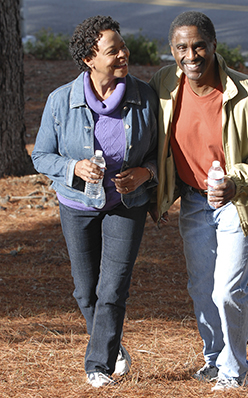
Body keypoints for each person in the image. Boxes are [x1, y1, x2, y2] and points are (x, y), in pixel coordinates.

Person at [149, 11, 248, 391]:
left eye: (198, 46)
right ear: (172, 51)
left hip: (236, 203)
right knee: (201, 287)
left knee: (227, 289)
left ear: (214, 46)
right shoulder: (165, 83)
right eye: (182, 47)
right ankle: (214, 360)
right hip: (194, 203)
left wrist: (236, 182)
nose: (191, 55)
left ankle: (234, 369)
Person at [32, 15, 157, 388]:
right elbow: (41, 156)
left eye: (122, 46)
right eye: (113, 49)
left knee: (113, 288)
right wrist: (73, 166)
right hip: (77, 205)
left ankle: (97, 364)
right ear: (89, 59)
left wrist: (144, 174)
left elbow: (161, 154)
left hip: (126, 203)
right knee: (85, 290)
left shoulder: (144, 97)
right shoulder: (60, 101)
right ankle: (112, 344)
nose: (123, 53)